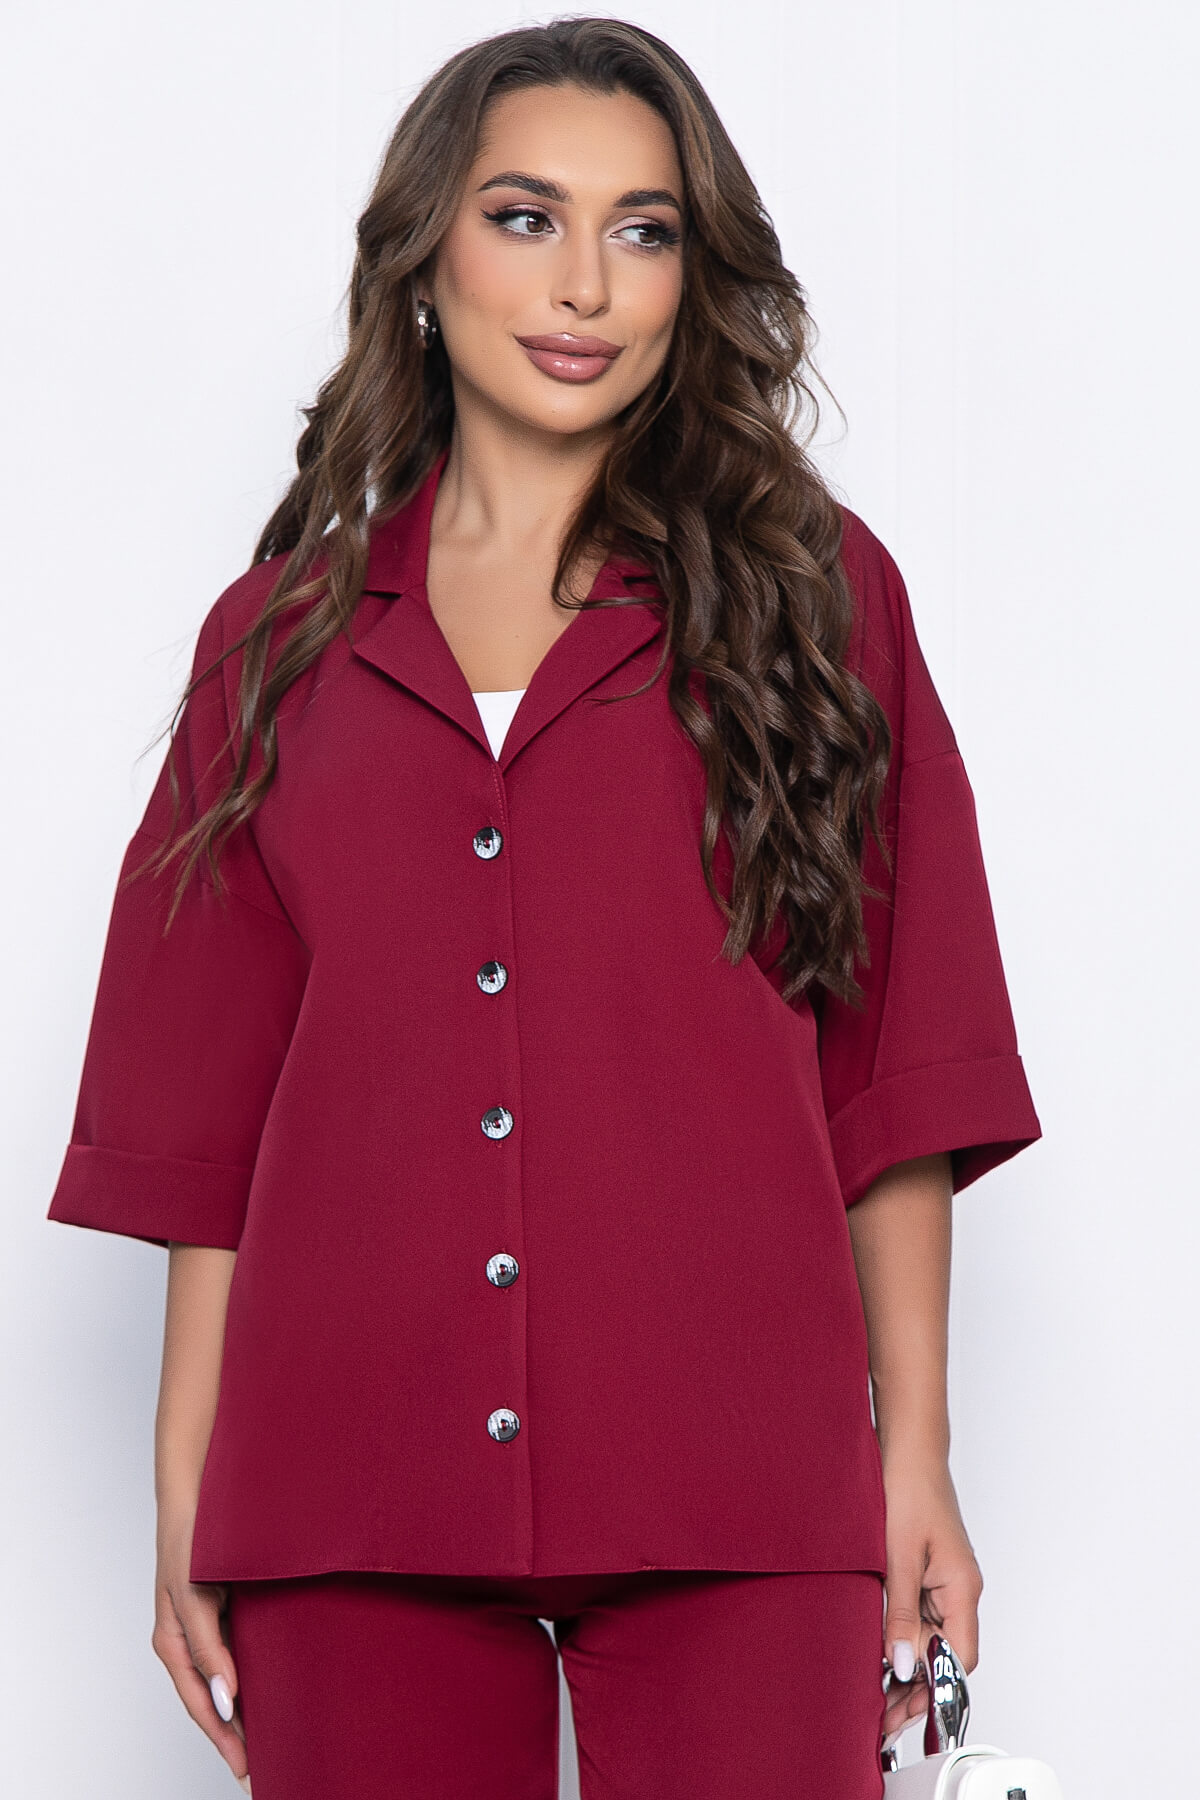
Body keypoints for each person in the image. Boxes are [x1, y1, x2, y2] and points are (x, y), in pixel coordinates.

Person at [46, 18, 1042, 1800]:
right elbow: (210, 1125)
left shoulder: (818, 601)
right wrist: (189, 1485)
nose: (586, 283)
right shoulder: (274, 645)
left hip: (745, 1481)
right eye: (526, 217)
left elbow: (897, 1064)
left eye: (643, 231)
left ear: (690, 278)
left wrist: (916, 1454)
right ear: (425, 255)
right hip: (349, 1485)